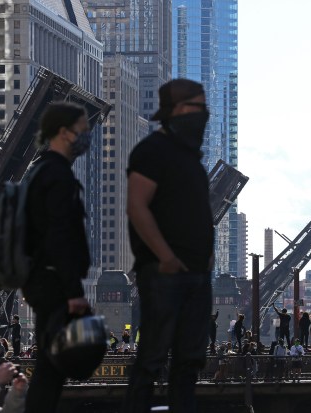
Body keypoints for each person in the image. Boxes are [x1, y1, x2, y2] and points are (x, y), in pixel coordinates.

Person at [122, 78, 215, 413]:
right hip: (164, 274)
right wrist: (165, 257)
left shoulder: (190, 158)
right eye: (198, 107)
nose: (203, 115)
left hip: (196, 275)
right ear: (175, 110)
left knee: (189, 363)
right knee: (152, 359)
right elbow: (136, 206)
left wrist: (207, 259)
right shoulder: (151, 152)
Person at [21, 102, 91, 413]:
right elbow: (60, 237)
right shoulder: (58, 176)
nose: (86, 137)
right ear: (64, 133)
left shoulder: (39, 171)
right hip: (53, 282)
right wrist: (74, 293)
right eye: (82, 130)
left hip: (40, 278)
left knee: (50, 366)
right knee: (52, 368)